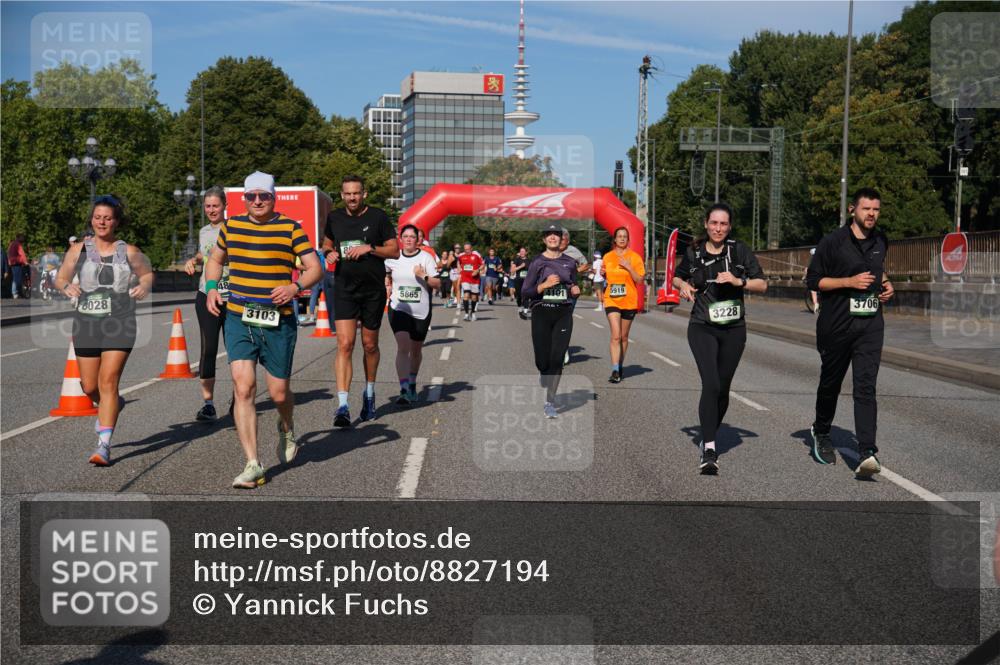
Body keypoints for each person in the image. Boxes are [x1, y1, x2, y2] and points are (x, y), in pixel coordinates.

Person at [205, 171, 322, 488]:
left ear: (274, 198)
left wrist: (294, 285)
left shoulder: (290, 228)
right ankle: (253, 464)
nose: (257, 201)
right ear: (244, 198)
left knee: (278, 392)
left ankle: (286, 424)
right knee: (243, 388)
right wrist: (213, 287)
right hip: (239, 317)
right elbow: (215, 260)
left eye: (264, 196)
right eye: (251, 196)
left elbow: (316, 267)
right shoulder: (232, 226)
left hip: (277, 320)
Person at [55, 195, 154, 466]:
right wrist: (67, 287)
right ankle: (112, 404)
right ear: (92, 220)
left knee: (108, 381)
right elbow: (60, 277)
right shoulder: (78, 250)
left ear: (116, 222)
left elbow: (147, 273)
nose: (102, 222)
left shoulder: (130, 251)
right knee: (89, 387)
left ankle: (104, 444)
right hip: (86, 321)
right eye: (98, 217)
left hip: (120, 321)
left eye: (108, 218)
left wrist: (144, 286)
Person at [805, 187, 894, 476]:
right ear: (852, 210)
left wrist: (888, 285)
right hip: (837, 325)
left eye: (876, 209)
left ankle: (867, 451)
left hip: (870, 325)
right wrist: (848, 282)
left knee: (866, 386)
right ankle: (821, 431)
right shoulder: (833, 242)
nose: (872, 214)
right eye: (866, 208)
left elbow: (878, 270)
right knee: (831, 383)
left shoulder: (881, 240)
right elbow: (814, 281)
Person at [673, 203, 767, 474]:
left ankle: (708, 431)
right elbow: (677, 278)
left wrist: (740, 283)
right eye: (714, 223)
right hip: (702, 325)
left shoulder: (739, 251)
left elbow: (762, 284)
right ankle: (710, 448)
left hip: (734, 328)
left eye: (723, 224)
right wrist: (685, 286)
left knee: (723, 389)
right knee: (711, 383)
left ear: (729, 227)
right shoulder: (694, 252)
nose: (718, 228)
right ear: (706, 224)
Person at [322, 175, 398, 428]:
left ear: (364, 194)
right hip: (344, 288)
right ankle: (342, 405)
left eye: (356, 193)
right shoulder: (334, 217)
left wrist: (370, 248)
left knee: (369, 345)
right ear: (342, 195)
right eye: (347, 194)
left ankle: (369, 393)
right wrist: (328, 253)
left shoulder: (378, 217)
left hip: (373, 290)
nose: (352, 197)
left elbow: (394, 250)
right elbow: (326, 244)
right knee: (345, 344)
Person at [523, 225, 580, 418]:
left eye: (556, 235)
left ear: (562, 239)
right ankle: (543, 372)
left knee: (557, 359)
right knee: (542, 360)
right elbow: (526, 292)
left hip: (563, 313)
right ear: (544, 239)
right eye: (549, 235)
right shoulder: (537, 262)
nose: (553, 238)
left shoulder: (570, 262)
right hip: (541, 312)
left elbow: (573, 284)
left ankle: (550, 402)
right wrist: (544, 285)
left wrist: (575, 290)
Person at [184, 186, 230, 422]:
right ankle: (208, 404)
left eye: (216, 206)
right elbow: (206, 253)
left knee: (237, 351)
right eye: (208, 206)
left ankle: (239, 397)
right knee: (208, 348)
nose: (212, 210)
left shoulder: (234, 228)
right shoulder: (203, 231)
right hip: (206, 295)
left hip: (233, 296)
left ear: (225, 206)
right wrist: (193, 260)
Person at [385, 225, 441, 405]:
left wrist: (423, 275)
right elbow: (385, 274)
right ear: (400, 239)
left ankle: (412, 382)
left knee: (416, 351)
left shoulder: (426, 258)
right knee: (403, 346)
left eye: (412, 237)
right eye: (405, 236)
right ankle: (403, 389)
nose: (409, 239)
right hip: (399, 307)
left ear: (418, 239)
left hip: (421, 311)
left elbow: (438, 283)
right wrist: (386, 284)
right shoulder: (392, 258)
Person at [601, 227, 646, 383]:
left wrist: (628, 267)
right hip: (612, 299)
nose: (621, 239)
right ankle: (614, 369)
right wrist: (601, 274)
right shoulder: (608, 257)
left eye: (624, 237)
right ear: (614, 239)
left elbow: (639, 280)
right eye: (619, 236)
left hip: (629, 300)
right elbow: (604, 274)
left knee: (624, 337)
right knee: (616, 335)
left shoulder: (635, 257)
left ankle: (620, 365)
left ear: (628, 240)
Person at [559, 228, 589, 364]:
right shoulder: (550, 251)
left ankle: (563, 348)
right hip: (553, 290)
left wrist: (574, 271)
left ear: (568, 240)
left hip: (570, 289)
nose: (560, 241)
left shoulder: (573, 251)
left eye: (563, 239)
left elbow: (585, 265)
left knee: (565, 318)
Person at [457, 242, 485, 321]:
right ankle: (466, 314)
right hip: (465, 278)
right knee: (466, 295)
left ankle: (472, 313)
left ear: (471, 248)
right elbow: (458, 262)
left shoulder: (476, 255)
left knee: (474, 297)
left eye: (468, 249)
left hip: (475, 279)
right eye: (465, 249)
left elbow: (483, 264)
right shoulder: (461, 255)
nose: (467, 251)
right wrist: (459, 267)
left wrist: (478, 270)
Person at [511, 247, 530, 319]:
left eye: (523, 251)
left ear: (526, 252)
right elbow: (512, 270)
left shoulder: (529, 261)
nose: (522, 252)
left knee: (526, 295)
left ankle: (525, 312)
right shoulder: (517, 260)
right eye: (520, 251)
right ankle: (520, 307)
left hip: (527, 280)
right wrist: (521, 266)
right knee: (519, 296)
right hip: (518, 280)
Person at [7, 234, 28, 299]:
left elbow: (8, 253)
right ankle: (15, 293)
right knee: (17, 279)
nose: (23, 239)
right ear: (18, 238)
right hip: (17, 263)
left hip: (12, 263)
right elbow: (22, 254)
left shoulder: (12, 244)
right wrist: (25, 262)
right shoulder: (17, 244)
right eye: (22, 237)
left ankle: (16, 293)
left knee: (15, 278)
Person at [806, 247, 820, 314]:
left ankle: (815, 304)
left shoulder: (812, 261)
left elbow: (807, 270)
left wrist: (804, 277)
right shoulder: (822, 259)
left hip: (816, 279)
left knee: (813, 290)